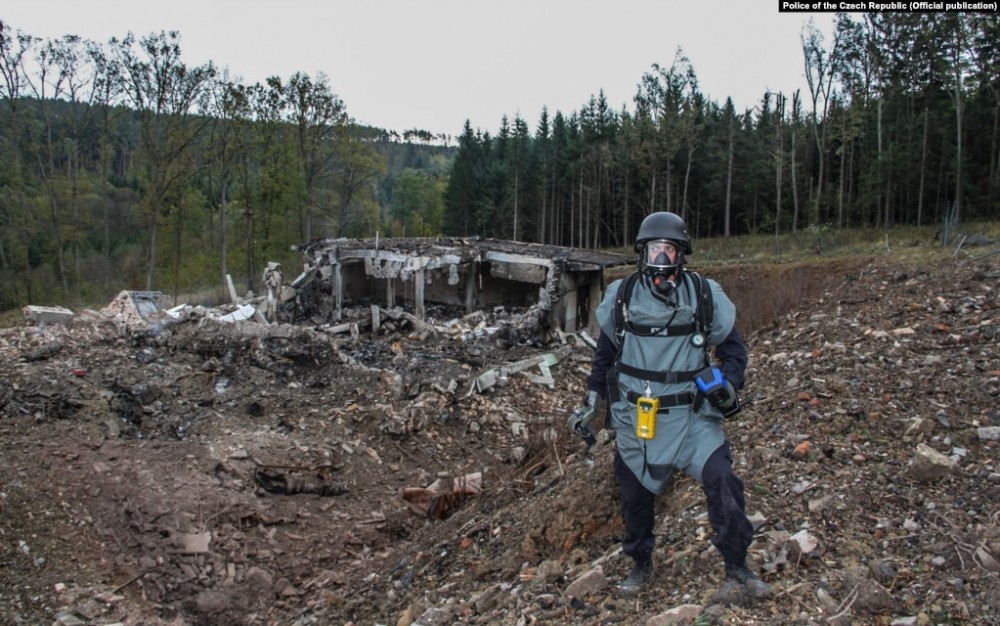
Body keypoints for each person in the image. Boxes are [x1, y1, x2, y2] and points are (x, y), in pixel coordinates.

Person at [567, 211, 770, 599]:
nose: (661, 259)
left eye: (669, 250)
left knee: (722, 479)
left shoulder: (705, 296)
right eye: (654, 250)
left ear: (682, 254)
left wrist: (729, 384)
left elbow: (734, 352)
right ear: (643, 253)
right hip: (638, 418)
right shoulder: (622, 297)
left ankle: (737, 567)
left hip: (692, 417)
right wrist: (592, 402)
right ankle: (640, 565)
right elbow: (604, 359)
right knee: (634, 493)